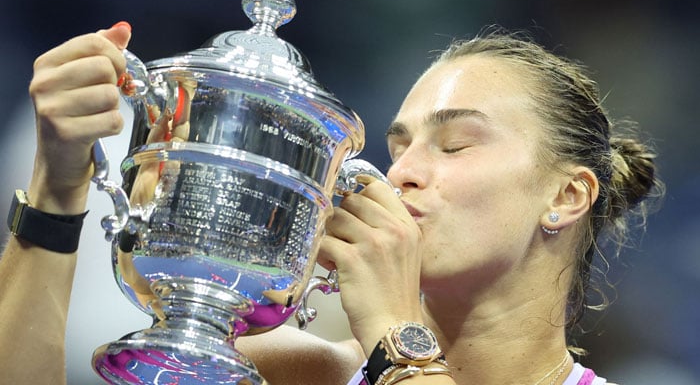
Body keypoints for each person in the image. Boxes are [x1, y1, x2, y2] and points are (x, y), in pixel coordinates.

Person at [0, 21, 662, 385]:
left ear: (567, 195)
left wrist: (396, 336)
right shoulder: (294, 375)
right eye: (400, 147)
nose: (401, 174)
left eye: (456, 145)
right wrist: (59, 192)